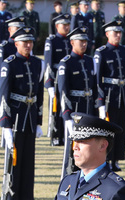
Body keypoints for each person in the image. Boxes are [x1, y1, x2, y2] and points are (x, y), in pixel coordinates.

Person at [0, 27, 45, 200]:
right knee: (15, 161)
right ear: (16, 43)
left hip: (30, 116)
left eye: (30, 42)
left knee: (28, 161)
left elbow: (39, 94)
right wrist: (5, 125)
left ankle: (24, 199)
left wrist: (39, 121)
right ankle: (12, 199)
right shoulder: (9, 64)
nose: (28, 45)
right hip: (16, 118)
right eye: (24, 42)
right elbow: (4, 96)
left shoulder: (37, 63)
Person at [94, 20, 125, 171]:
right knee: (107, 131)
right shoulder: (102, 52)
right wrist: (100, 102)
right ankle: (106, 160)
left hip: (122, 95)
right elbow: (97, 79)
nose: (118, 35)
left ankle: (116, 160)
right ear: (107, 34)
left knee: (121, 129)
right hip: (109, 96)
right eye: (115, 33)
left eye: (119, 32)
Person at [57, 26, 97, 176]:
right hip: (75, 110)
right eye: (80, 41)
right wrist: (67, 115)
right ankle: (68, 176)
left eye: (85, 41)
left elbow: (95, 85)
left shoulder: (89, 61)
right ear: (72, 42)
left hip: (88, 108)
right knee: (73, 149)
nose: (84, 44)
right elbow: (63, 91)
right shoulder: (66, 63)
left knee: (89, 146)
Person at [43, 13, 71, 146]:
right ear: (57, 26)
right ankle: (55, 135)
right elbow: (48, 63)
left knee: (67, 107)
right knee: (56, 108)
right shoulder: (52, 41)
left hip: (69, 79)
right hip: (56, 79)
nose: (66, 27)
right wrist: (49, 83)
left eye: (68, 25)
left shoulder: (72, 40)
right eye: (63, 25)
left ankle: (66, 134)